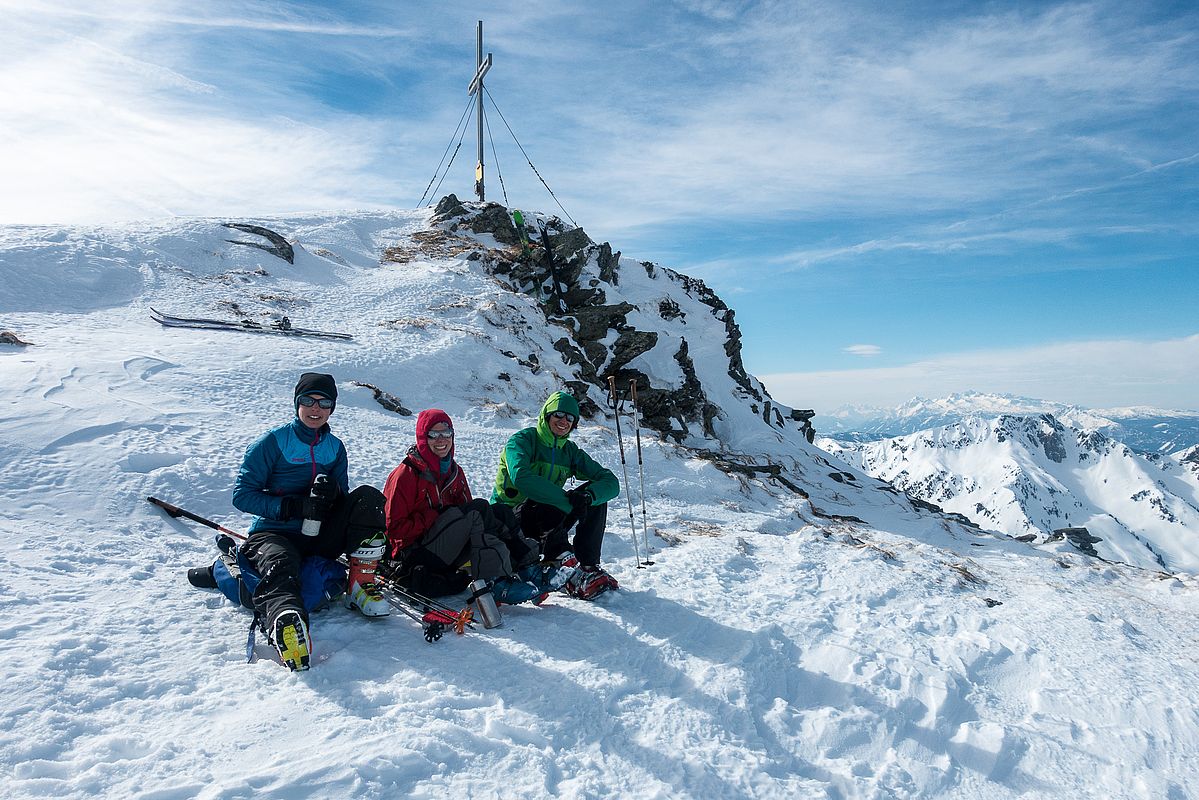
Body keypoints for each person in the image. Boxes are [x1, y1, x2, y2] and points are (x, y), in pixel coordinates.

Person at [230, 372, 389, 670]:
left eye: (324, 402)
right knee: (282, 564)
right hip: (274, 532)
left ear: (332, 408)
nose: (315, 409)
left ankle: (359, 583)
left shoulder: (335, 447)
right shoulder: (273, 443)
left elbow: (344, 499)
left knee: (367, 498)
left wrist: (335, 494)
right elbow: (241, 496)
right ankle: (287, 620)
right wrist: (289, 506)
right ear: (296, 403)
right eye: (308, 401)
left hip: (317, 533)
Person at [382, 409, 551, 605]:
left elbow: (468, 515)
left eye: (446, 434)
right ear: (422, 437)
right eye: (433, 434)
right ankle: (495, 582)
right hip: (416, 554)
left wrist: (450, 518)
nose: (441, 440)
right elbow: (393, 529)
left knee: (499, 512)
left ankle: (529, 569)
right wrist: (434, 517)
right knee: (478, 510)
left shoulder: (454, 472)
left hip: (447, 549)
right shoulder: (406, 475)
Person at [492, 391, 621, 600]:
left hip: (546, 516)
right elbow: (521, 477)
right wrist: (567, 502)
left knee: (595, 499)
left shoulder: (569, 451)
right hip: (509, 520)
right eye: (559, 415)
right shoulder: (523, 441)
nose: (564, 421)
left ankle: (588, 567)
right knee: (545, 503)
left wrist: (586, 498)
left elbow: (610, 482)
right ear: (546, 415)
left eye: (570, 418)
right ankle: (561, 566)